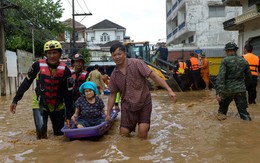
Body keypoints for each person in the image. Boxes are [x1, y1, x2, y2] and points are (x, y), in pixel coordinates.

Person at [106, 42, 177, 139]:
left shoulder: (137, 63)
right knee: (123, 134)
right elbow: (112, 95)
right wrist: (108, 113)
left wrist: (169, 90)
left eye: (119, 54)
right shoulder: (114, 75)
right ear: (112, 57)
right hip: (127, 106)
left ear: (125, 54)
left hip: (144, 103)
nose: (117, 57)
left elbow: (154, 76)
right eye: (114, 55)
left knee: (142, 133)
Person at [10, 40, 74, 139]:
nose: (52, 56)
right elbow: (26, 83)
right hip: (40, 104)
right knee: (41, 133)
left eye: (55, 52)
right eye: (49, 53)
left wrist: (69, 115)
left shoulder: (66, 71)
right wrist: (15, 100)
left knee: (59, 136)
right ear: (46, 55)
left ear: (60, 54)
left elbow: (68, 94)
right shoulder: (37, 66)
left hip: (58, 106)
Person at [216, 42, 252, 121]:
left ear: (228, 50)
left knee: (222, 113)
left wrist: (218, 92)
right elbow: (249, 77)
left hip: (227, 90)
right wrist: (244, 86)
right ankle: (248, 128)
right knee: (244, 113)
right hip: (241, 90)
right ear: (235, 50)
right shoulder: (244, 61)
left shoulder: (225, 61)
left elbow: (221, 77)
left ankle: (222, 132)